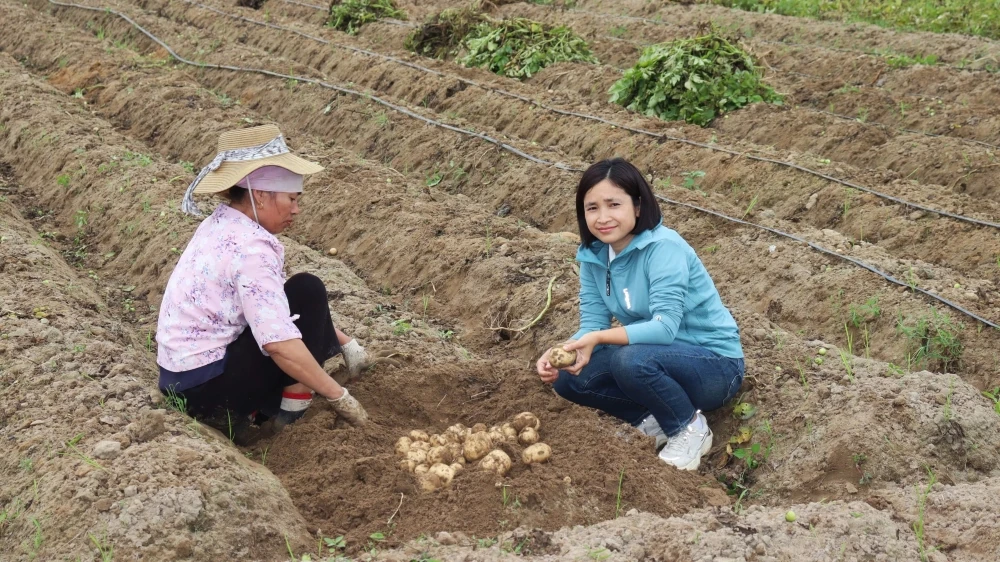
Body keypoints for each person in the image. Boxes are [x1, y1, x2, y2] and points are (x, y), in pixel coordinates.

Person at [156, 124, 369, 440]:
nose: (296, 210)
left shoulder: (221, 223)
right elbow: (277, 342)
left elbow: (274, 307)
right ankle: (288, 416)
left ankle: (272, 403)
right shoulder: (252, 248)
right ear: (260, 195)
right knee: (308, 290)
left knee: (302, 293)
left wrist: (344, 342)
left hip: (180, 382)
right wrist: (340, 397)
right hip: (210, 394)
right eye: (292, 199)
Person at [536, 157, 745, 471]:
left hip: (714, 366)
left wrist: (597, 339)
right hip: (658, 360)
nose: (603, 217)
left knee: (630, 359)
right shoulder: (594, 258)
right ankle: (654, 422)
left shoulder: (664, 248)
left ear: (637, 206)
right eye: (592, 208)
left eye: (613, 204)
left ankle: (689, 429)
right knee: (569, 377)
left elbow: (664, 329)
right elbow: (592, 325)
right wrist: (562, 351)